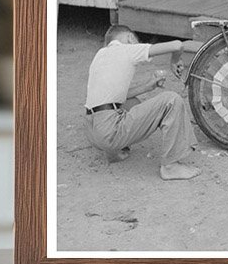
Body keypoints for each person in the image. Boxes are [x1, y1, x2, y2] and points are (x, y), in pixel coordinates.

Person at [84, 24, 201, 181]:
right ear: (130, 38)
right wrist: (175, 60)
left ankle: (114, 152)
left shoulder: (100, 55)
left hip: (92, 131)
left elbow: (117, 97)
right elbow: (177, 45)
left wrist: (148, 86)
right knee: (172, 100)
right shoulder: (127, 49)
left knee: (121, 102)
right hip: (109, 131)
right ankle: (171, 166)